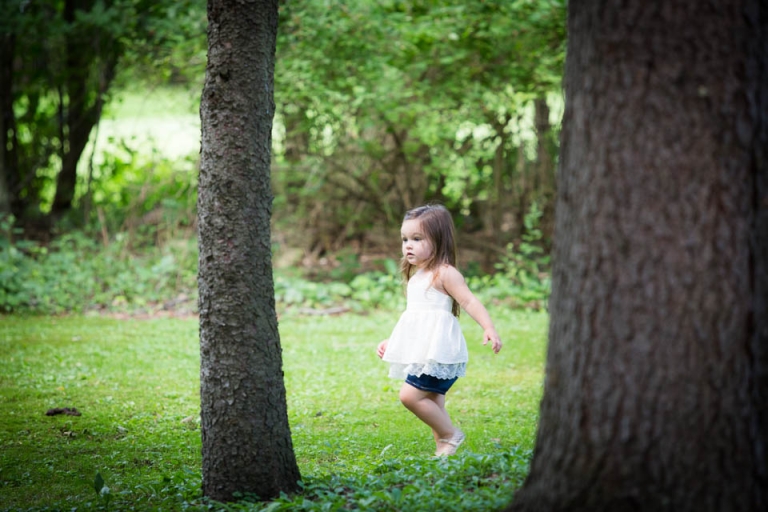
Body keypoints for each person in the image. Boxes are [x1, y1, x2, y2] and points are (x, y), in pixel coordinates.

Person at [377, 204, 502, 456]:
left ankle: (450, 434)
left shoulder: (444, 273)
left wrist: (488, 327)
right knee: (434, 402)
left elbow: (469, 301)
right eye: (405, 239)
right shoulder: (417, 275)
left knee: (410, 396)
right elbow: (415, 318)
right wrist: (394, 341)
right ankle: (444, 451)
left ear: (438, 240)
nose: (408, 245)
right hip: (425, 351)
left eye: (417, 238)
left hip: (439, 352)